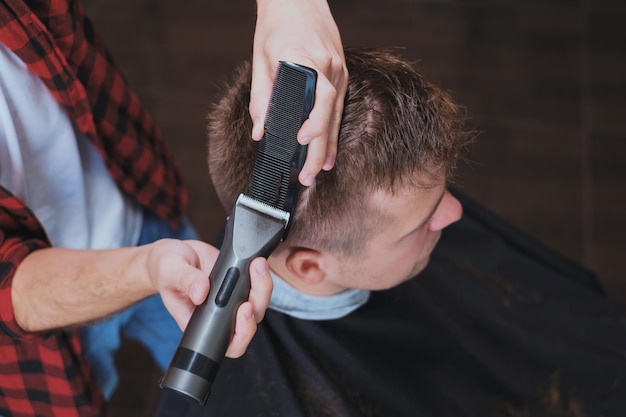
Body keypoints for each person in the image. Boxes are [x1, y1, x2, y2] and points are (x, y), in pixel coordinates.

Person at [155, 47, 626, 416]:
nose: (457, 214)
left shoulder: (363, 207)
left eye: (444, 192)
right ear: (309, 267)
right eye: (423, 223)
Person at [0, 0, 348, 415]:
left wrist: (292, 9)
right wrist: (147, 269)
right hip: (28, 346)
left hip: (145, 214)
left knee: (233, 386)